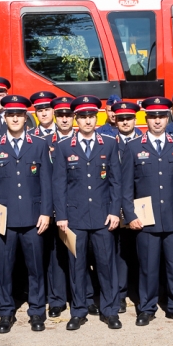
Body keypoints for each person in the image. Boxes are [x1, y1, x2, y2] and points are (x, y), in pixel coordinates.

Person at [122, 97, 173, 326]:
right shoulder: (133, 146)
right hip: (145, 219)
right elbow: (126, 187)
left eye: (161, 116)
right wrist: (130, 216)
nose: (157, 121)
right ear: (146, 119)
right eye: (152, 117)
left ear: (168, 118)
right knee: (148, 266)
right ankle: (147, 307)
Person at [53, 95, 123, 330]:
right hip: (75, 218)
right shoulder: (63, 147)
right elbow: (59, 185)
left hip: (104, 217)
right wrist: (61, 215)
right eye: (82, 117)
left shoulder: (109, 144)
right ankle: (79, 311)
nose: (87, 121)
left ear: (97, 118)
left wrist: (115, 212)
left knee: (106, 265)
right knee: (77, 267)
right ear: (76, 119)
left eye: (91, 116)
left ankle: (110, 310)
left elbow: (116, 182)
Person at [0, 95, 52, 333]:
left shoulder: (39, 144)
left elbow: (46, 182)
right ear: (6, 117)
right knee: (4, 268)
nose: (14, 118)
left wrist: (45, 213)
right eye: (10, 115)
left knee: (35, 268)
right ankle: (5, 312)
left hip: (33, 217)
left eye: (19, 115)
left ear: (25, 117)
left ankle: (36, 312)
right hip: (4, 219)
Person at [113, 101, 142, 312]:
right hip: (114, 203)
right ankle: (120, 295)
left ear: (135, 119)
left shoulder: (143, 141)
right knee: (119, 253)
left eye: (128, 118)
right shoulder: (108, 142)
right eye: (121, 118)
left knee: (142, 251)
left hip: (140, 204)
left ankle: (142, 294)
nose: (125, 122)